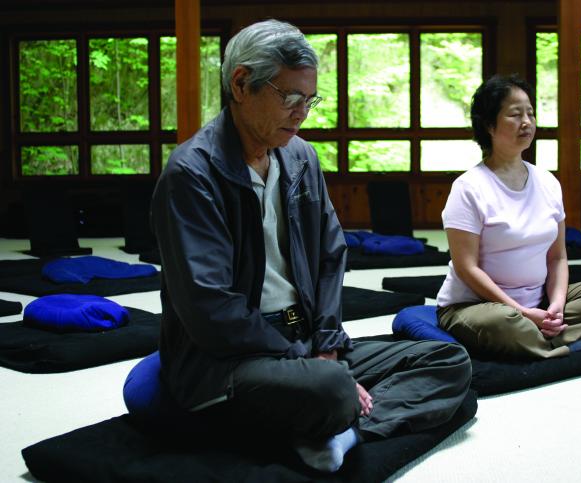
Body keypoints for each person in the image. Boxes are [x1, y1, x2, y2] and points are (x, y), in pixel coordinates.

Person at [151, 19, 471, 473]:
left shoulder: (300, 157)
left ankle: (346, 431)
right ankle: (338, 410)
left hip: (304, 342)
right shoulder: (192, 175)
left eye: (310, 98)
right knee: (332, 390)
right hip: (228, 358)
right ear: (241, 84)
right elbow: (209, 309)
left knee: (448, 359)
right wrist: (309, 361)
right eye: (290, 97)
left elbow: (330, 255)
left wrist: (326, 342)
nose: (303, 112)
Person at [436, 74, 581, 359]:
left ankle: (543, 337)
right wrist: (522, 312)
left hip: (539, 299)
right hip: (479, 307)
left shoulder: (547, 181)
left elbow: (557, 257)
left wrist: (558, 305)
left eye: (530, 113)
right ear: (490, 125)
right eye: (515, 114)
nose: (527, 121)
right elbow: (467, 268)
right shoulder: (468, 188)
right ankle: (566, 343)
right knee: (501, 324)